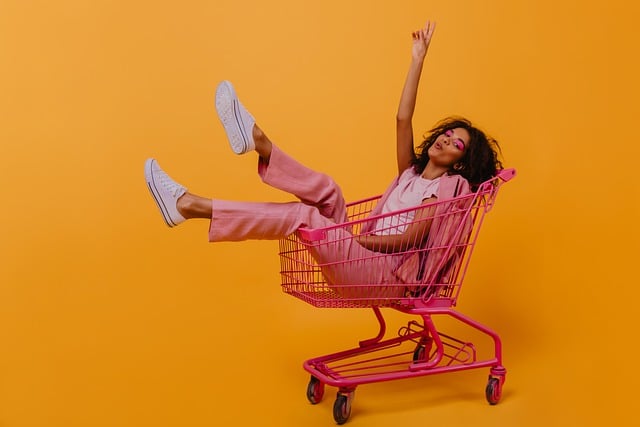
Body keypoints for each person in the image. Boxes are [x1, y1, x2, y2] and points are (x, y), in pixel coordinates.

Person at [144, 21, 502, 296]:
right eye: (447, 132)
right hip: (362, 256)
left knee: (304, 216)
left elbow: (409, 241)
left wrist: (353, 242)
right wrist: (417, 60)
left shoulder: (447, 188)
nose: (446, 138)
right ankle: (260, 142)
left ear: (460, 163)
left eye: (457, 143)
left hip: (383, 273)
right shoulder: (410, 174)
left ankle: (190, 205)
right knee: (329, 190)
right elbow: (402, 119)